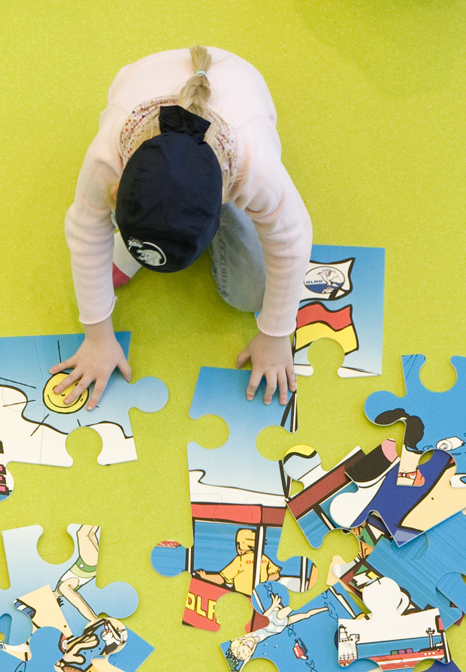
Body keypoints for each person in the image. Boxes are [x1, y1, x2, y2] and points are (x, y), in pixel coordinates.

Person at [53, 45, 315, 410]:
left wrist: (275, 335)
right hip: (142, 82)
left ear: (221, 205)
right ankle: (141, 236)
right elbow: (85, 233)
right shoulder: (106, 161)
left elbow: (293, 241)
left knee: (251, 295)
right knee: (112, 226)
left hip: (240, 94)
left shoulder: (254, 169)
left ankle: (157, 231)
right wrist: (98, 337)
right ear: (119, 189)